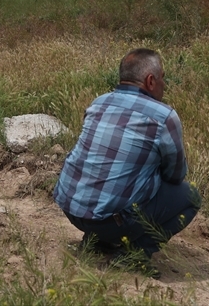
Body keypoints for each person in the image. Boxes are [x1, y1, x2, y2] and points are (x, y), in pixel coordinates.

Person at [53, 48, 200, 265]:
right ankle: (135, 255)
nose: (164, 85)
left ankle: (97, 241)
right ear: (150, 81)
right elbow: (175, 175)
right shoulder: (164, 116)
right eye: (163, 79)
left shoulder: (98, 102)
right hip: (110, 222)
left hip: (70, 210)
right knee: (190, 197)